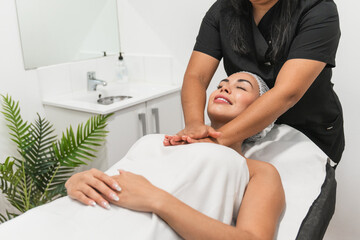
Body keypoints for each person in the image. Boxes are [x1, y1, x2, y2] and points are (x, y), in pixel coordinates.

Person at [65, 72, 285, 239]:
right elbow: (120, 178)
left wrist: (157, 200)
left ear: (263, 112)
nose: (224, 89)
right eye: (220, 85)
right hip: (71, 218)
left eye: (241, 87)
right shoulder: (166, 141)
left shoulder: (257, 171)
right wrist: (80, 181)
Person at [165, 0, 344, 166]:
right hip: (244, 132)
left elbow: (287, 92)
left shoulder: (317, 9)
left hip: (307, 126)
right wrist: (194, 125)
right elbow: (196, 76)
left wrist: (216, 141)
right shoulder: (223, 10)